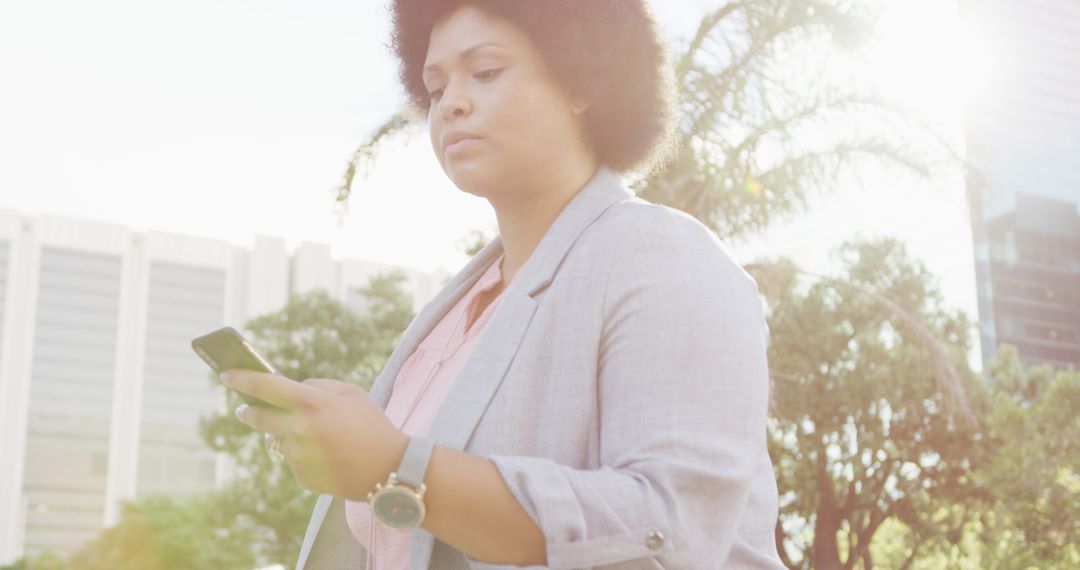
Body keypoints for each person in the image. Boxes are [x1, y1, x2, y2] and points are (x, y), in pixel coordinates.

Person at [222, 1, 786, 568]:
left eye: (485, 72)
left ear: (581, 82)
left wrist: (395, 465)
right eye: (435, 89)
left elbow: (670, 528)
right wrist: (358, 444)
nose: (452, 105)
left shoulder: (663, 256)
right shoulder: (454, 312)